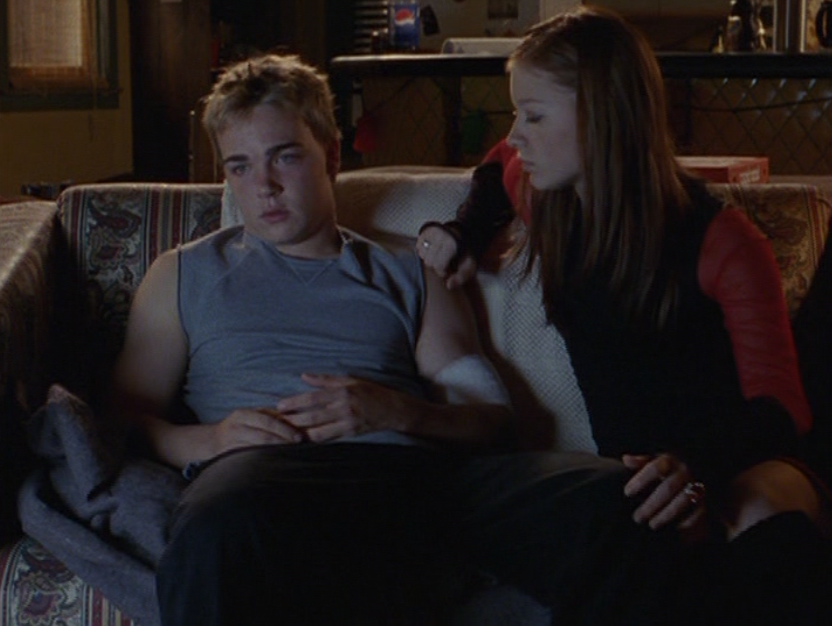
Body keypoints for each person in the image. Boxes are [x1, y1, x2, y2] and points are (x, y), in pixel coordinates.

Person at [108, 52, 681, 626]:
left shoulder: (410, 269)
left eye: (285, 156)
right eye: (240, 167)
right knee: (216, 526)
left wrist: (396, 412)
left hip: (417, 483)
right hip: (265, 479)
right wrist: (210, 440)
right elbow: (123, 421)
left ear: (332, 155)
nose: (265, 186)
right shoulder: (181, 274)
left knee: (624, 499)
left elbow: (491, 421)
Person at [418, 6, 831, 625]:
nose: (518, 132)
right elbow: (499, 161)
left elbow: (783, 407)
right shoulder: (548, 200)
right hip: (633, 486)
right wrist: (465, 232)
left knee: (756, 519)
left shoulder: (720, 239)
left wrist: (693, 468)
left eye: (534, 114)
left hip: (736, 463)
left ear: (601, 116)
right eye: (517, 112)